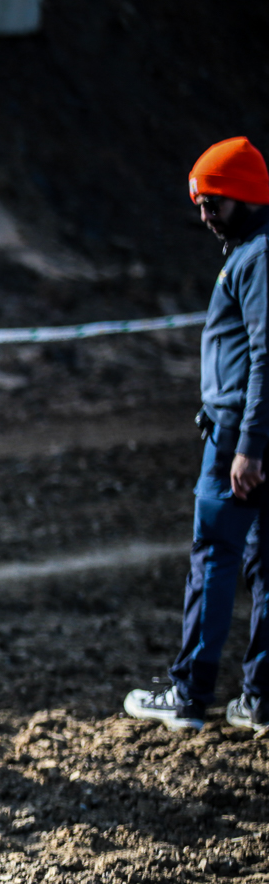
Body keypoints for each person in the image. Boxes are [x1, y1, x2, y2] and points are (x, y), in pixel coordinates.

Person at [126, 137, 269, 734]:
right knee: (262, 561)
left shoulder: (257, 258)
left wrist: (248, 445)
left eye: (213, 202)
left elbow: (265, 355)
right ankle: (260, 700)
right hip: (248, 432)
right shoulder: (251, 253)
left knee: (214, 557)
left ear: (245, 195)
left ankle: (189, 695)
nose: (205, 215)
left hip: (237, 438)